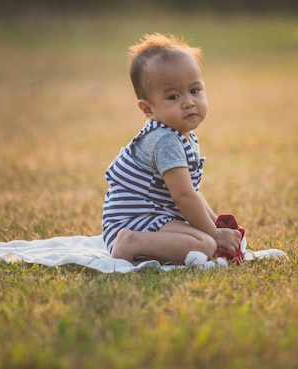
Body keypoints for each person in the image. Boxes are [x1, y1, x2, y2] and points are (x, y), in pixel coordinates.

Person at [102, 33, 243, 264]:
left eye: (195, 91)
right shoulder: (164, 141)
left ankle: (145, 243)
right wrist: (215, 235)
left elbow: (192, 192)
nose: (188, 102)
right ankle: (132, 243)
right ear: (148, 109)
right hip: (132, 221)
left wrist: (215, 223)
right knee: (205, 244)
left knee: (206, 237)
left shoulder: (181, 136)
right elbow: (183, 196)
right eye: (174, 96)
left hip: (155, 216)